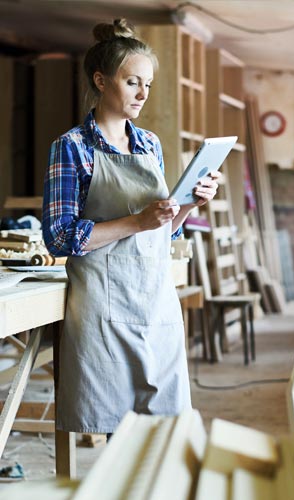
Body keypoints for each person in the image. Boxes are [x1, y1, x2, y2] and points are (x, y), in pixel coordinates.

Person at [42, 18, 220, 434]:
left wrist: (189, 205)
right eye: (132, 82)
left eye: (148, 85)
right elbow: (60, 237)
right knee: (107, 428)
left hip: (155, 302)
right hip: (102, 308)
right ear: (101, 81)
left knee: (165, 429)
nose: (143, 94)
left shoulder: (150, 144)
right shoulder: (72, 148)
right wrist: (138, 220)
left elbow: (165, 232)